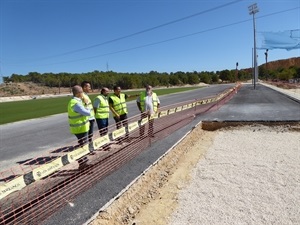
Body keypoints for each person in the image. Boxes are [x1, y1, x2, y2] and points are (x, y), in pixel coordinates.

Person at [81, 81, 95, 152]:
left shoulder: (86, 95)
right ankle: (87, 149)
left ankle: (90, 147)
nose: (90, 88)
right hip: (87, 119)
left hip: (91, 118)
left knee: (90, 134)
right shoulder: (82, 96)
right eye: (89, 87)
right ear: (84, 87)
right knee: (87, 135)